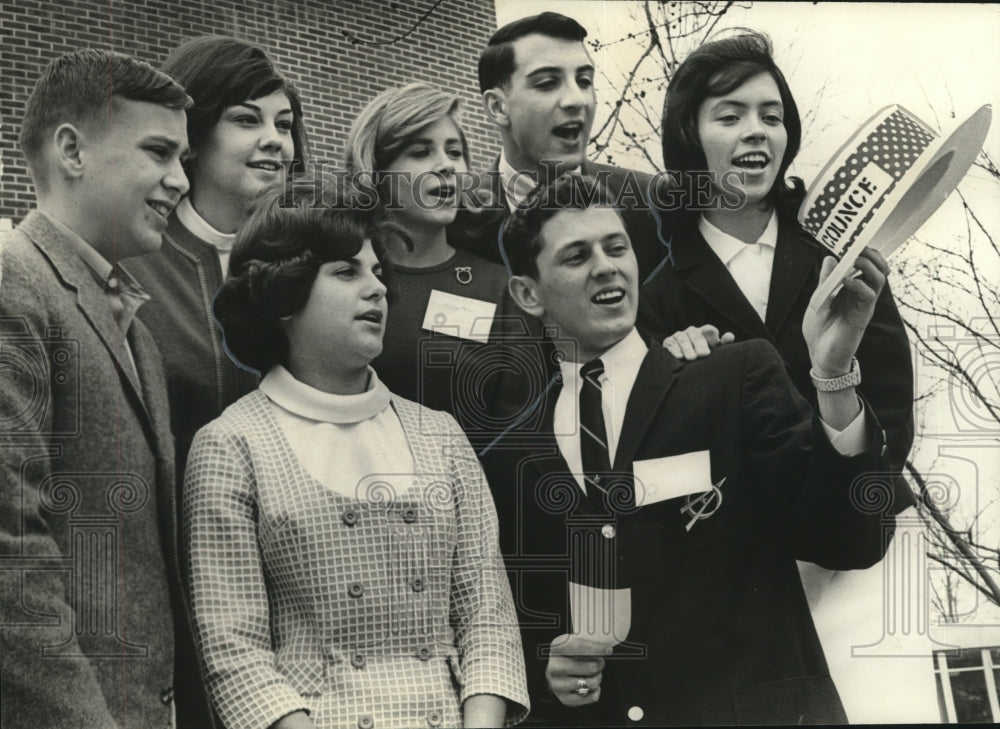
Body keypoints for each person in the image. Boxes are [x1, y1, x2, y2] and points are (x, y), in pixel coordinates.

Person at [501, 173, 897, 726]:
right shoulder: (511, 455)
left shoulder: (732, 377)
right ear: (528, 294)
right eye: (576, 256)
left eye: (617, 248)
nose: (607, 266)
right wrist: (546, 669)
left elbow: (853, 539)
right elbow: (512, 631)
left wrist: (833, 377)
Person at [635, 31, 930, 722]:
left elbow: (890, 411)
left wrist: (843, 503)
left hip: (865, 562)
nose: (757, 131)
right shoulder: (656, 295)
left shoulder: (842, 255)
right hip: (742, 590)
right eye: (730, 114)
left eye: (772, 114)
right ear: (689, 133)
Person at [184, 189, 529, 729]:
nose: (377, 289)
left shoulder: (440, 435)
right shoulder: (231, 446)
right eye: (346, 272)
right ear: (284, 294)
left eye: (376, 272)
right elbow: (234, 651)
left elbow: (488, 617)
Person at [0, 49, 191, 727]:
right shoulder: (11, 283)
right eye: (159, 152)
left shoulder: (130, 320)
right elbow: (9, 551)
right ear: (72, 150)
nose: (179, 182)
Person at [125, 40, 308, 725]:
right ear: (194, 139)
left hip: (306, 581)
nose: (274, 142)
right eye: (247, 120)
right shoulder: (137, 267)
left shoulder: (322, 260)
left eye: (285, 125)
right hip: (178, 587)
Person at [343, 82, 541, 448]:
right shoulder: (339, 280)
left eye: (455, 151)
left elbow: (521, 432)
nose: (446, 165)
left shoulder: (500, 287)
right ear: (377, 170)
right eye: (421, 152)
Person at [450, 11, 670, 285]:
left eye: (584, 81)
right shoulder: (455, 218)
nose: (577, 99)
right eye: (548, 83)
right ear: (497, 107)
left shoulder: (652, 204)